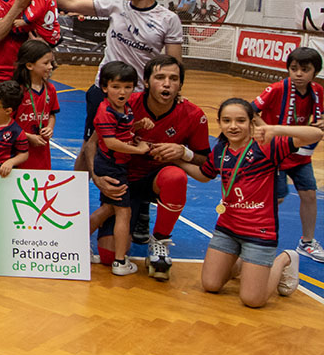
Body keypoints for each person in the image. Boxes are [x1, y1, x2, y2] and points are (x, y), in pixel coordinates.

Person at [177, 99, 322, 308]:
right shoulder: (220, 150)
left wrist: (273, 128)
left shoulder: (267, 146)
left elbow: (316, 135)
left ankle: (284, 259)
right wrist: (176, 161)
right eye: (227, 121)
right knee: (211, 285)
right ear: (219, 122)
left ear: (251, 122)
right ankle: (246, 262)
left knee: (253, 300)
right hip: (227, 229)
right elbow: (203, 174)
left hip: (259, 232)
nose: (233, 126)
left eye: (240, 120)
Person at [52, 0, 181, 170]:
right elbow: (71, 3)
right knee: (89, 145)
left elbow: (173, 64)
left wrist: (173, 93)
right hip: (103, 90)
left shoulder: (168, 19)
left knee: (133, 149)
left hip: (139, 95)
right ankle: (77, 198)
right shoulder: (116, 3)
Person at [92, 54, 211, 279]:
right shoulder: (124, 102)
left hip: (158, 179)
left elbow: (206, 163)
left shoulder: (194, 115)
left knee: (176, 177)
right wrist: (97, 179)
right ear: (146, 82)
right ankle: (140, 214)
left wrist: (183, 152)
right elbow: (92, 144)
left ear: (180, 84)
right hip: (124, 178)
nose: (167, 83)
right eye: (160, 77)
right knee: (108, 256)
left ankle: (160, 240)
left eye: (173, 78)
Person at [252, 47, 324, 262]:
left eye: (305, 69)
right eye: (294, 69)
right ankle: (256, 234)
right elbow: (250, 109)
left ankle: (307, 242)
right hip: (276, 153)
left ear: (315, 72)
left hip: (301, 154)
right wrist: (268, 131)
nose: (299, 74)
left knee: (310, 195)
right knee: (278, 197)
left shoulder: (318, 92)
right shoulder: (276, 89)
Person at [87, 62, 154, 276]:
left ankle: (74, 246)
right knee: (124, 213)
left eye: (127, 87)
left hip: (117, 165)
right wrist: (141, 150)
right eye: (116, 87)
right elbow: (112, 142)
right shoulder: (105, 111)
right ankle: (119, 262)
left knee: (106, 210)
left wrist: (138, 126)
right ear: (105, 88)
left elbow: (122, 130)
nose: (122, 91)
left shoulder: (123, 109)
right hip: (112, 166)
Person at [11, 40, 60, 171]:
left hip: (42, 149)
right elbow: (7, 122)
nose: (50, 67)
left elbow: (52, 114)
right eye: (45, 63)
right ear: (29, 65)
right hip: (19, 149)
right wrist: (27, 136)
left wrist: (50, 127)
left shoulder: (50, 89)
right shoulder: (16, 90)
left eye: (51, 62)